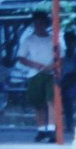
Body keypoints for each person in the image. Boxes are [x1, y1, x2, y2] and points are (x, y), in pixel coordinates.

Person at [17, 10, 57, 142]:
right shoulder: (28, 40)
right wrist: (35, 65)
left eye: (41, 24)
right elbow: (21, 58)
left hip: (50, 73)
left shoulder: (54, 39)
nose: (38, 27)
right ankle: (41, 130)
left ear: (46, 24)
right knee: (38, 104)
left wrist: (53, 66)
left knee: (51, 101)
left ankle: (51, 130)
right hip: (34, 74)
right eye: (36, 24)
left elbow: (60, 57)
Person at [58, 30, 76, 136]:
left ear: (75, 42)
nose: (68, 44)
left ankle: (69, 123)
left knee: (68, 97)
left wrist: (69, 82)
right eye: (66, 41)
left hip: (75, 79)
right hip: (64, 79)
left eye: (70, 41)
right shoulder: (63, 55)